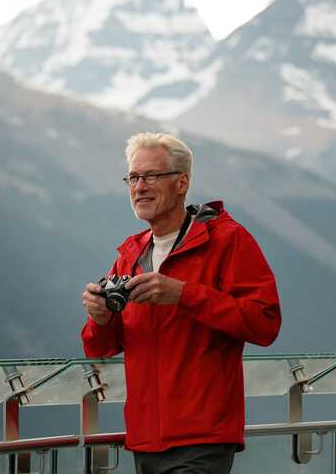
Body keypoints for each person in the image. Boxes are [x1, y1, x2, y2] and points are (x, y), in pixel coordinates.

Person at [81, 133, 281, 474]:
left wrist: (184, 295)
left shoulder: (227, 240)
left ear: (182, 182)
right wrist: (100, 318)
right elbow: (100, 349)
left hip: (202, 438)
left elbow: (264, 323)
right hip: (144, 440)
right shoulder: (131, 253)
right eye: (133, 177)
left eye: (151, 176)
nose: (139, 186)